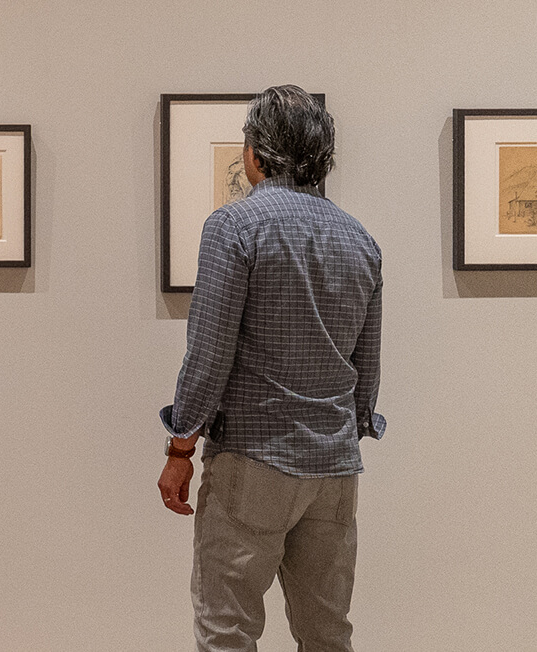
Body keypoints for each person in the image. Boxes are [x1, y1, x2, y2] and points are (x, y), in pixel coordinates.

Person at [157, 85, 384, 652]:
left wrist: (180, 447)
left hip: (254, 459)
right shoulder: (360, 240)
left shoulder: (234, 227)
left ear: (255, 153)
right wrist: (342, 432)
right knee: (327, 633)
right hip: (334, 467)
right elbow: (367, 367)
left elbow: (209, 356)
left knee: (227, 631)